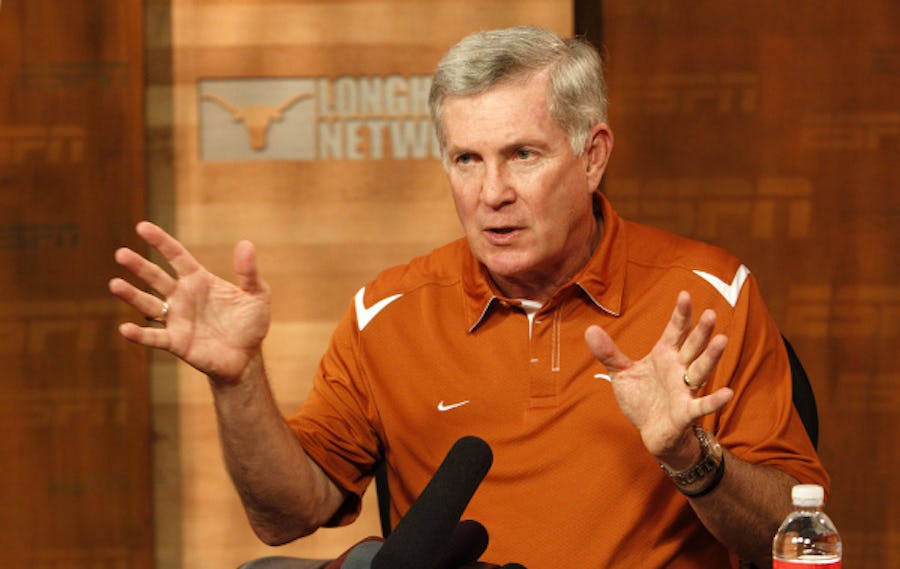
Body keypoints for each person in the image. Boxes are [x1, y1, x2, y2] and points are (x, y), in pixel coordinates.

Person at [110, 26, 828, 568]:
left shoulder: (706, 294)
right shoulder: (388, 312)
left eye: (523, 154)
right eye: (466, 159)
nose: (492, 193)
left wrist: (689, 456)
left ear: (593, 156)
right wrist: (237, 381)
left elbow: (795, 538)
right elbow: (286, 517)